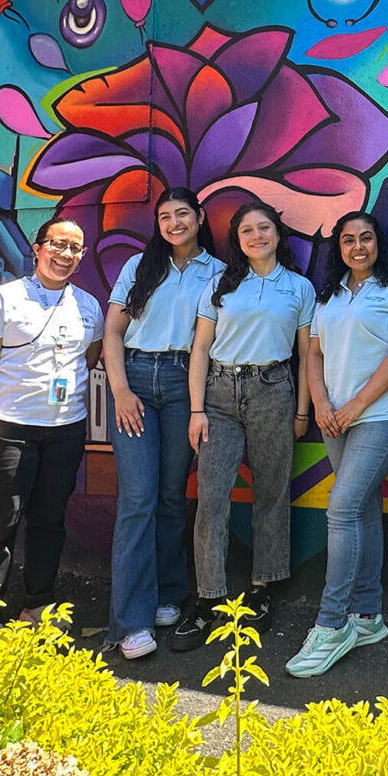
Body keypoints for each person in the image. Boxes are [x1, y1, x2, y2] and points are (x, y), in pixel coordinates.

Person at [173, 202, 314, 650]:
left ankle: (262, 588)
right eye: (247, 230)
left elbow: (308, 354)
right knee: (212, 499)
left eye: (264, 228)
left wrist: (302, 412)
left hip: (274, 390)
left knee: (271, 494)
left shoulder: (299, 288)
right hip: (218, 393)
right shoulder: (218, 284)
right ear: (237, 238)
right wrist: (197, 410)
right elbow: (199, 349)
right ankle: (209, 599)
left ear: (277, 233)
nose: (256, 236)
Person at [287, 211, 388, 678]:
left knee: (341, 510)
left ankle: (331, 623)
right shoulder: (330, 296)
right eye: (348, 240)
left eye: (365, 238)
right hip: (335, 419)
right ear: (338, 248)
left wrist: (353, 407)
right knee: (362, 511)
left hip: (379, 417)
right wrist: (321, 404)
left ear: (377, 242)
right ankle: (368, 615)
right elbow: (314, 353)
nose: (357, 247)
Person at [101, 188, 223, 660]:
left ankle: (169, 596)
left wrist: (196, 404)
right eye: (165, 216)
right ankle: (130, 622)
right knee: (137, 499)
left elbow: (204, 344)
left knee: (173, 495)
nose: (174, 223)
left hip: (182, 383)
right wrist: (120, 391)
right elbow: (113, 331)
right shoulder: (138, 266)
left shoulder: (216, 273)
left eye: (182, 215)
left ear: (199, 217)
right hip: (134, 378)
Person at [0, 217, 104, 625]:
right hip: (9, 429)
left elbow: (90, 358)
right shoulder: (4, 298)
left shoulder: (89, 305)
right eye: (57, 244)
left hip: (65, 430)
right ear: (38, 248)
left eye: (75, 248)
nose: (65, 254)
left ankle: (37, 603)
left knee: (49, 521)